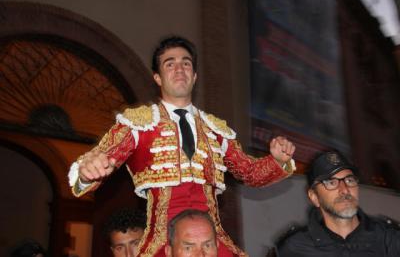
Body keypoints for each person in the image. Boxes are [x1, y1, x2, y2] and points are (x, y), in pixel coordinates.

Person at [68, 36, 296, 256]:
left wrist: (278, 160)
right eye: (170, 64)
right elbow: (98, 160)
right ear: (157, 77)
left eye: (186, 64)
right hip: (163, 241)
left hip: (211, 239)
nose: (179, 69)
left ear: (194, 76)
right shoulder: (138, 123)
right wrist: (88, 173)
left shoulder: (216, 130)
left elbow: (249, 172)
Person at [276, 150, 400, 257]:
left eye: (349, 180)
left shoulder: (389, 239)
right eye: (331, 182)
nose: (345, 189)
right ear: (314, 197)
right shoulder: (294, 247)